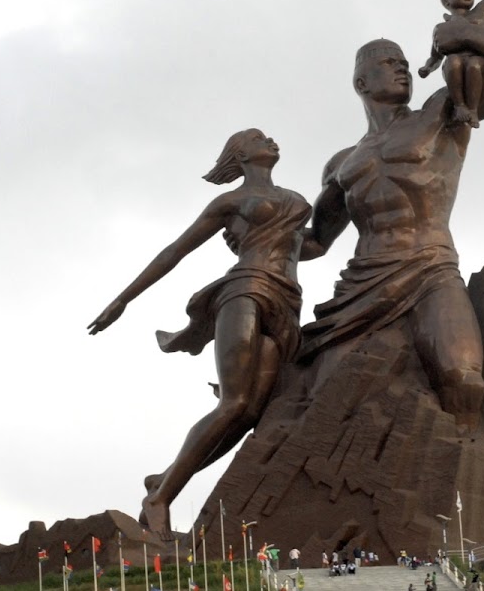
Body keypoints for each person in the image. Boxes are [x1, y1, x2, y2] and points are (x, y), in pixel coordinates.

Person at [301, 7, 484, 434]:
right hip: (362, 283)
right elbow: (315, 242)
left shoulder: (442, 111)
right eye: (388, 62)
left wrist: (463, 34)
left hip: (430, 268)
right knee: (324, 398)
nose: (401, 68)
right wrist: (257, 240)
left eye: (403, 62)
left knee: (463, 380)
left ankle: (460, 469)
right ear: (361, 83)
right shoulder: (342, 164)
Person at [88, 128, 319, 540]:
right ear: (240, 155)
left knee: (250, 413)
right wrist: (123, 299)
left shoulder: (295, 199)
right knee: (234, 403)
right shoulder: (229, 202)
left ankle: (164, 478)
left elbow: (311, 247)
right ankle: (160, 499)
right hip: (245, 288)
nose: (270, 140)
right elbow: (175, 251)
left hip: (287, 300)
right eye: (258, 138)